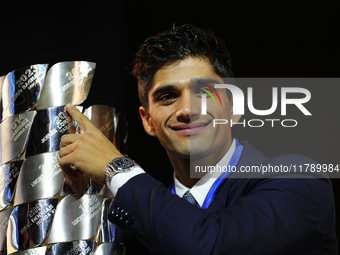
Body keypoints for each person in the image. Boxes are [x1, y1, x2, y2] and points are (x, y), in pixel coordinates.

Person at [59, 24, 337, 254]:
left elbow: (208, 245)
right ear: (147, 120)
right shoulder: (132, 221)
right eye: (167, 96)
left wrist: (117, 169)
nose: (187, 110)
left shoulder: (299, 180)